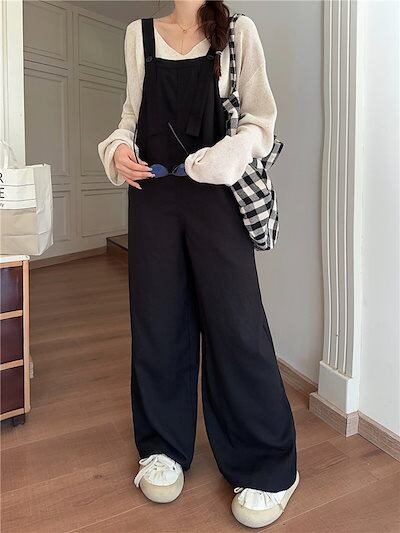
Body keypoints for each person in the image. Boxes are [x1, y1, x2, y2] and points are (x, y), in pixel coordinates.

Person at [98, 0, 298, 528]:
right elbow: (129, 117)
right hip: (154, 196)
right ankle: (162, 446)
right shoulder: (139, 35)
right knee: (158, 320)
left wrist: (232, 153)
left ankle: (268, 464)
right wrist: (116, 149)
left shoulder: (239, 32)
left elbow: (260, 121)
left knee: (237, 325)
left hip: (219, 198)